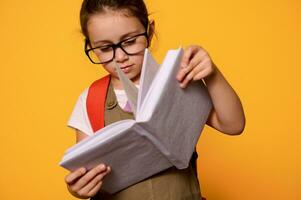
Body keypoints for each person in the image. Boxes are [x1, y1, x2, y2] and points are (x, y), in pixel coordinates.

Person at [64, 0, 246, 199]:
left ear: (149, 32)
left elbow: (233, 124)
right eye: (105, 48)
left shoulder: (177, 79)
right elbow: (84, 169)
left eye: (130, 41)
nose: (120, 57)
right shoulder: (90, 100)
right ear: (90, 45)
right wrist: (78, 189)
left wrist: (212, 75)